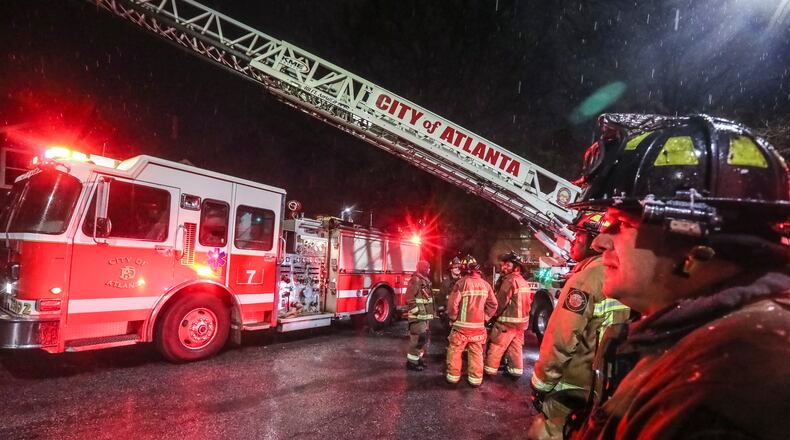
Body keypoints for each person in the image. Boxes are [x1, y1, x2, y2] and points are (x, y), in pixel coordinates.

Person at [567, 113, 790, 439]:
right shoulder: (706, 343)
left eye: (620, 224)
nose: (600, 241)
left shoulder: (727, 389)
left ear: (694, 244)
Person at [527, 213, 630, 440]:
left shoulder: (587, 279)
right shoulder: (626, 275)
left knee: (545, 433)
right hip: (608, 390)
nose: (574, 240)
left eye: (580, 235)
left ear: (596, 239)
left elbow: (561, 339)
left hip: (574, 390)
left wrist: (540, 385)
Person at [445, 255, 498, 386]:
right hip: (478, 328)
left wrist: (453, 318)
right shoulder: (486, 285)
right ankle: (475, 380)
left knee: (455, 351)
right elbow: (494, 304)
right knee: (476, 353)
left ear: (464, 269)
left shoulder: (461, 283)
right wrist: (485, 318)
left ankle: (453, 378)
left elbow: (452, 305)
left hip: (461, 328)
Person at [484, 252, 533, 378]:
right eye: (503, 265)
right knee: (515, 348)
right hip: (521, 324)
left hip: (506, 323)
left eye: (507, 265)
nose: (503, 267)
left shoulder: (509, 280)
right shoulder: (523, 281)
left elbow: (500, 303)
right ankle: (515, 372)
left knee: (496, 346)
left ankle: (490, 371)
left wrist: (490, 316)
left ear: (516, 267)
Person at [405, 260, 435, 371]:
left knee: (422, 340)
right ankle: (412, 363)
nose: (430, 270)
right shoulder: (415, 280)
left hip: (423, 318)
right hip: (417, 317)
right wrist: (418, 312)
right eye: (428, 268)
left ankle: (417, 359)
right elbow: (409, 298)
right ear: (423, 268)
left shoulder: (424, 281)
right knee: (416, 340)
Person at [437, 256, 462, 329]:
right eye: (455, 267)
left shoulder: (464, 281)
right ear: (451, 269)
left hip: (460, 314)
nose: (458, 269)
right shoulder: (446, 282)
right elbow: (440, 298)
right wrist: (441, 313)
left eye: (459, 267)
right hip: (448, 314)